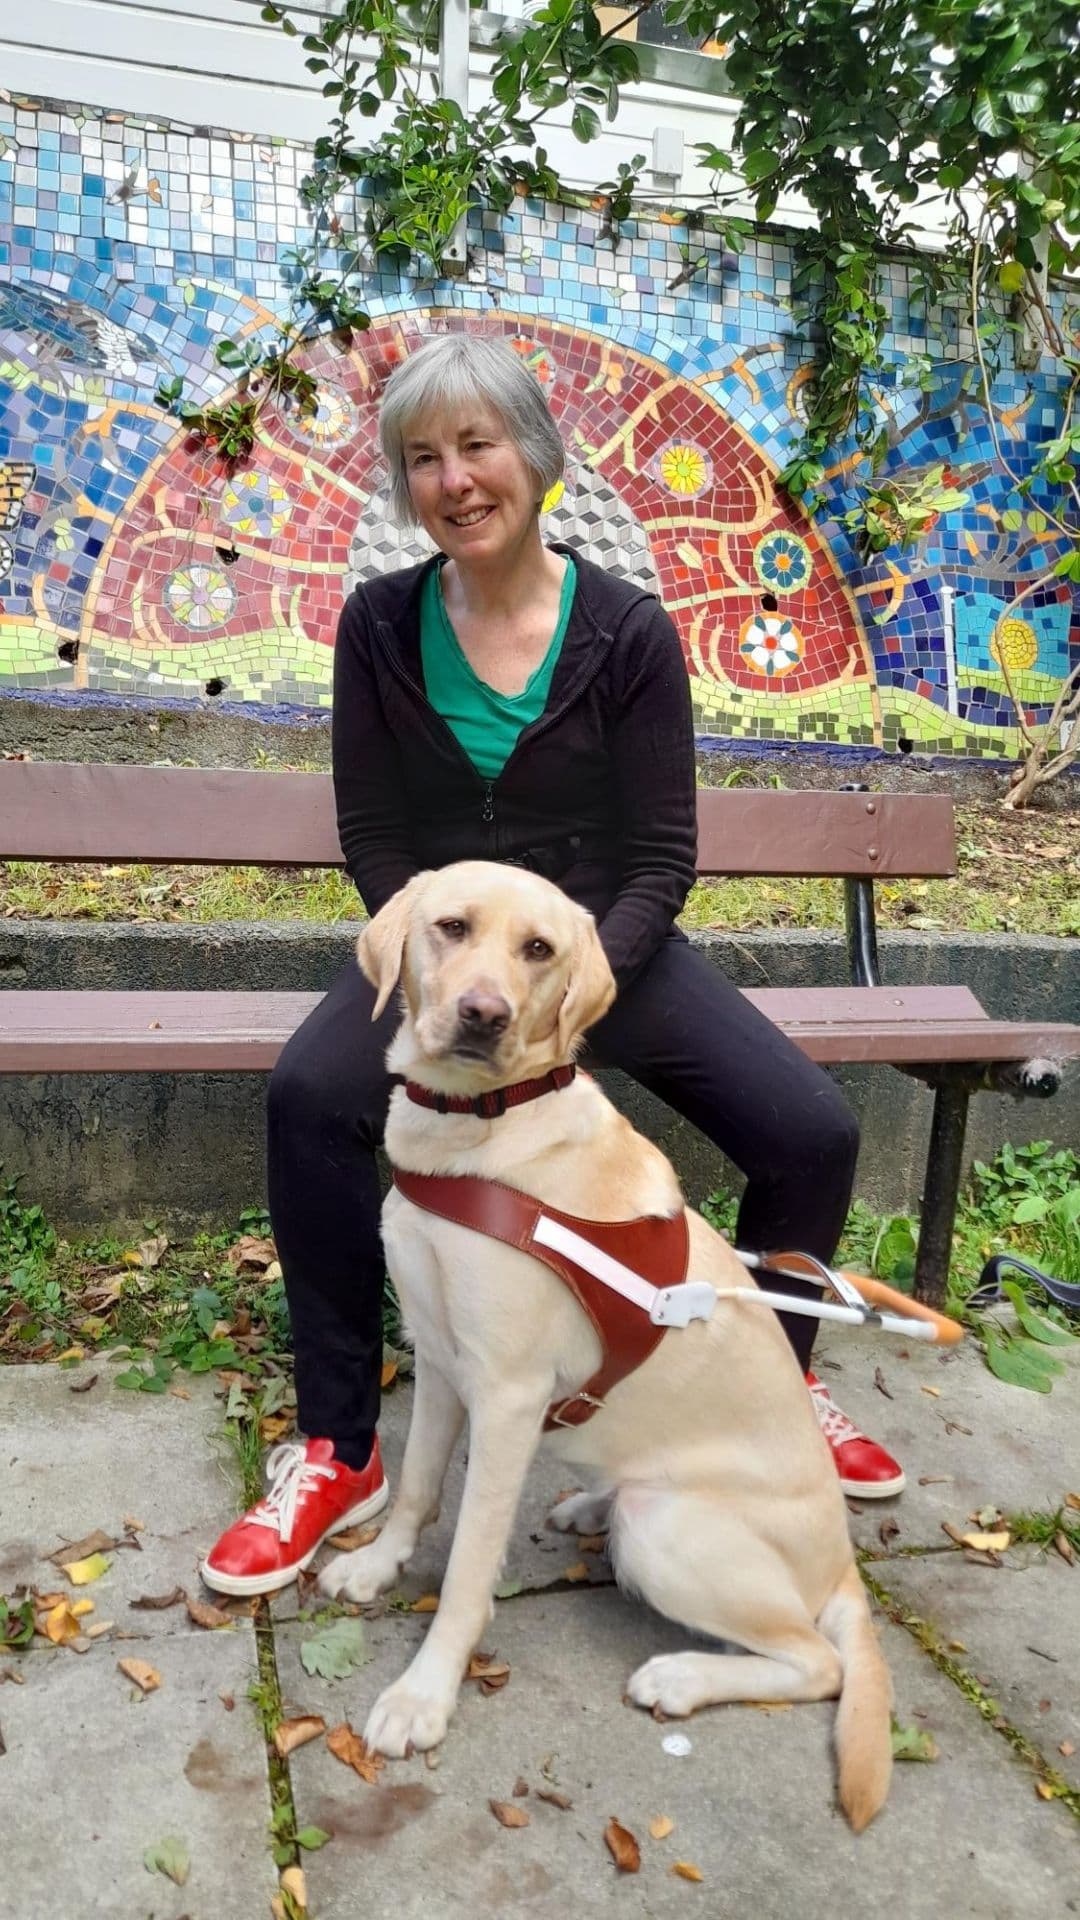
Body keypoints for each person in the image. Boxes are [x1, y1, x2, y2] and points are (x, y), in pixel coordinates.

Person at [201, 332, 904, 1598]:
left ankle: (776, 1389)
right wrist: (443, 978)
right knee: (312, 1099)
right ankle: (338, 1445)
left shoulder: (627, 632)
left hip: (597, 965)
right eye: (422, 458)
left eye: (477, 446)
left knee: (808, 1130)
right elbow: (373, 835)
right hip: (451, 968)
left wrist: (566, 991)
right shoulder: (378, 624)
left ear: (536, 456)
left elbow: (661, 855)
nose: (455, 479)